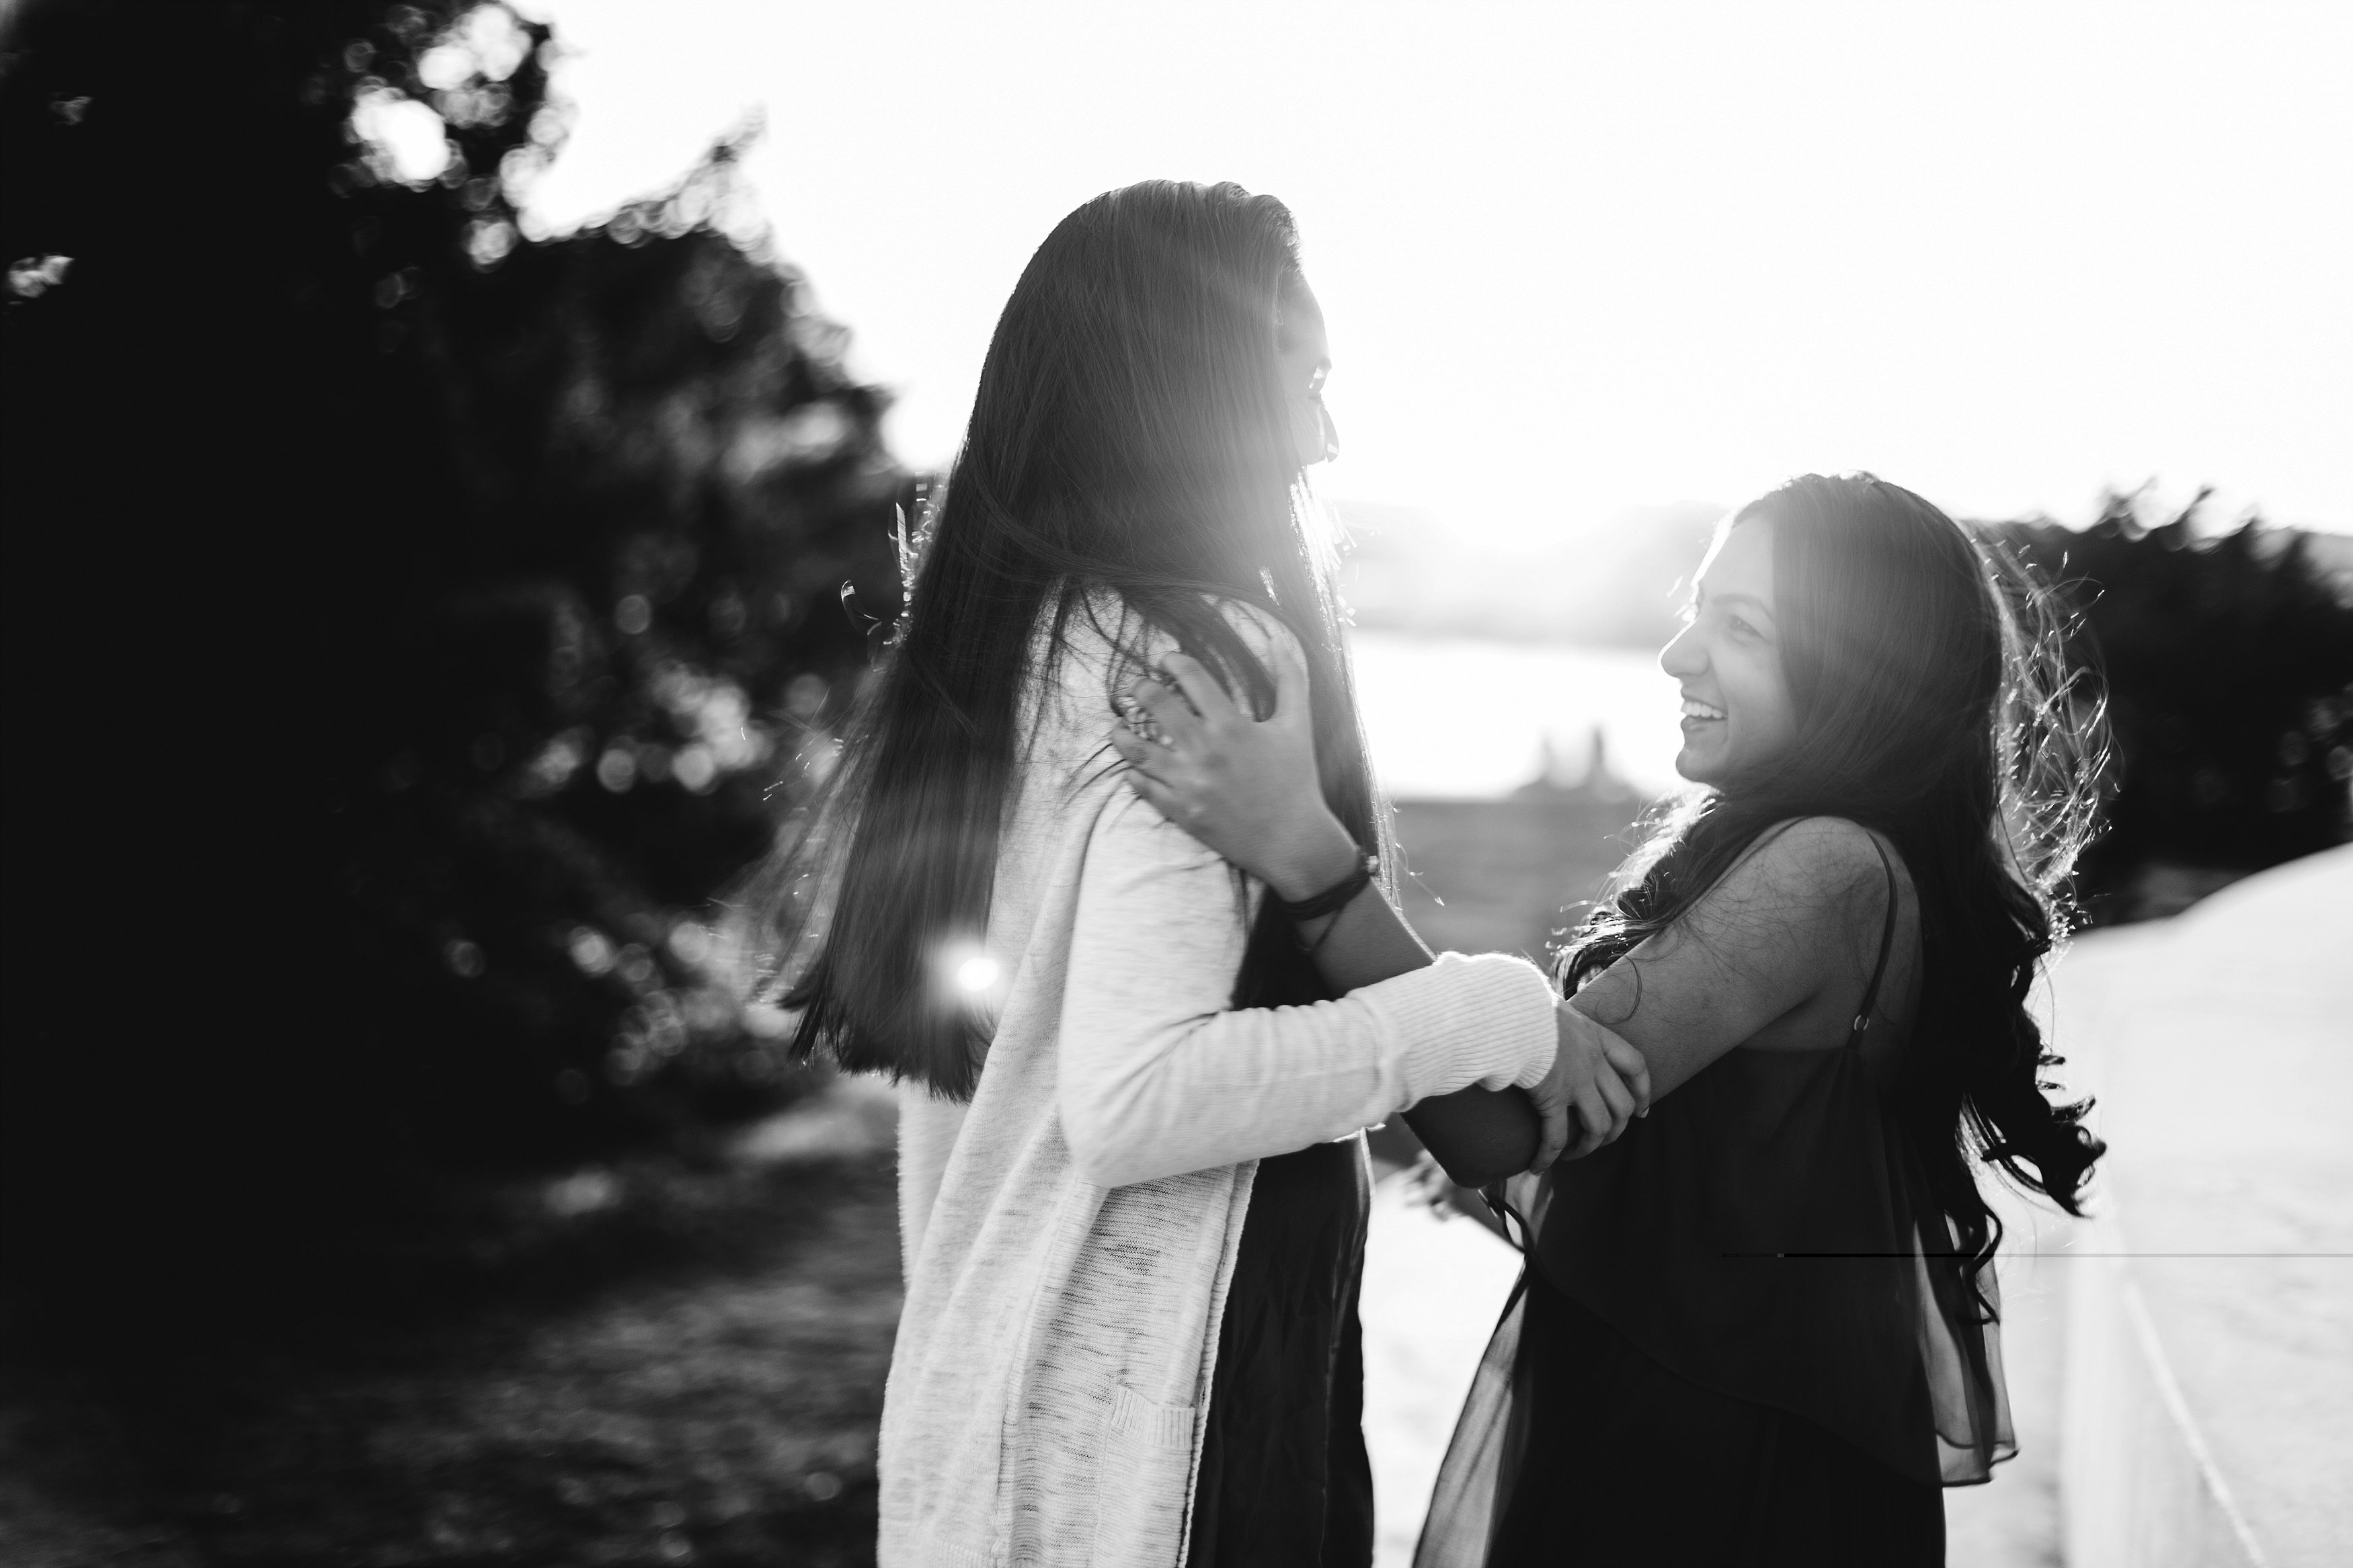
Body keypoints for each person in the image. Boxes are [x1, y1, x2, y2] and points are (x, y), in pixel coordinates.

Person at [746, 179, 1647, 1568]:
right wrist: (1490, 1011)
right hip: (1162, 1442)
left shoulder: (1011, 651)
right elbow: (1135, 1103)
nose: (1332, 432)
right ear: (1202, 384)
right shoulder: (1189, 662)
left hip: (981, 1406)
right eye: (1307, 375)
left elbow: (985, 1106)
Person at [1111, 472, 2110, 1565]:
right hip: (1711, 1422)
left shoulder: (1830, 867)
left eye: (1742, 627)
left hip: (1702, 1472)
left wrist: (1303, 855)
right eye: (1698, 608)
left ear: (1865, 673)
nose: (1681, 654)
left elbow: (1499, 1128)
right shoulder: (1857, 858)